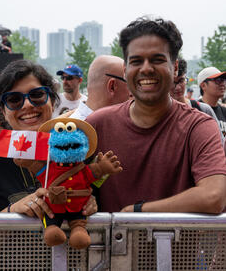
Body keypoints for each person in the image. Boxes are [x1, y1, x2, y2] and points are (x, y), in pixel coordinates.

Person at [86, 17, 226, 214]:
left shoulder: (200, 126)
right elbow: (66, 184)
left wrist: (136, 212)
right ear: (125, 70)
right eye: (136, 61)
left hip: (177, 245)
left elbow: (214, 196)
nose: (146, 69)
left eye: (157, 60)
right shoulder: (97, 125)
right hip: (111, 245)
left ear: (175, 67)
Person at [0, 60, 97, 220]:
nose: (27, 104)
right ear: (2, 110)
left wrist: (91, 206)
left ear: (53, 101)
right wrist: (11, 213)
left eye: (37, 95)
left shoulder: (81, 152)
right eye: (14, 99)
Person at [170, 58, 223, 142]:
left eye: (181, 80)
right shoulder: (157, 113)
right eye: (172, 82)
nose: (177, 87)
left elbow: (219, 143)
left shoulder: (203, 109)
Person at [69, 55, 130, 120]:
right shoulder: (74, 128)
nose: (133, 92)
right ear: (112, 86)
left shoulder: (71, 125)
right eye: (129, 83)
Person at [198, 67, 226, 137]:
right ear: (203, 85)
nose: (222, 84)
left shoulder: (224, 111)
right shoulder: (195, 110)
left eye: (223, 80)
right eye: (218, 80)